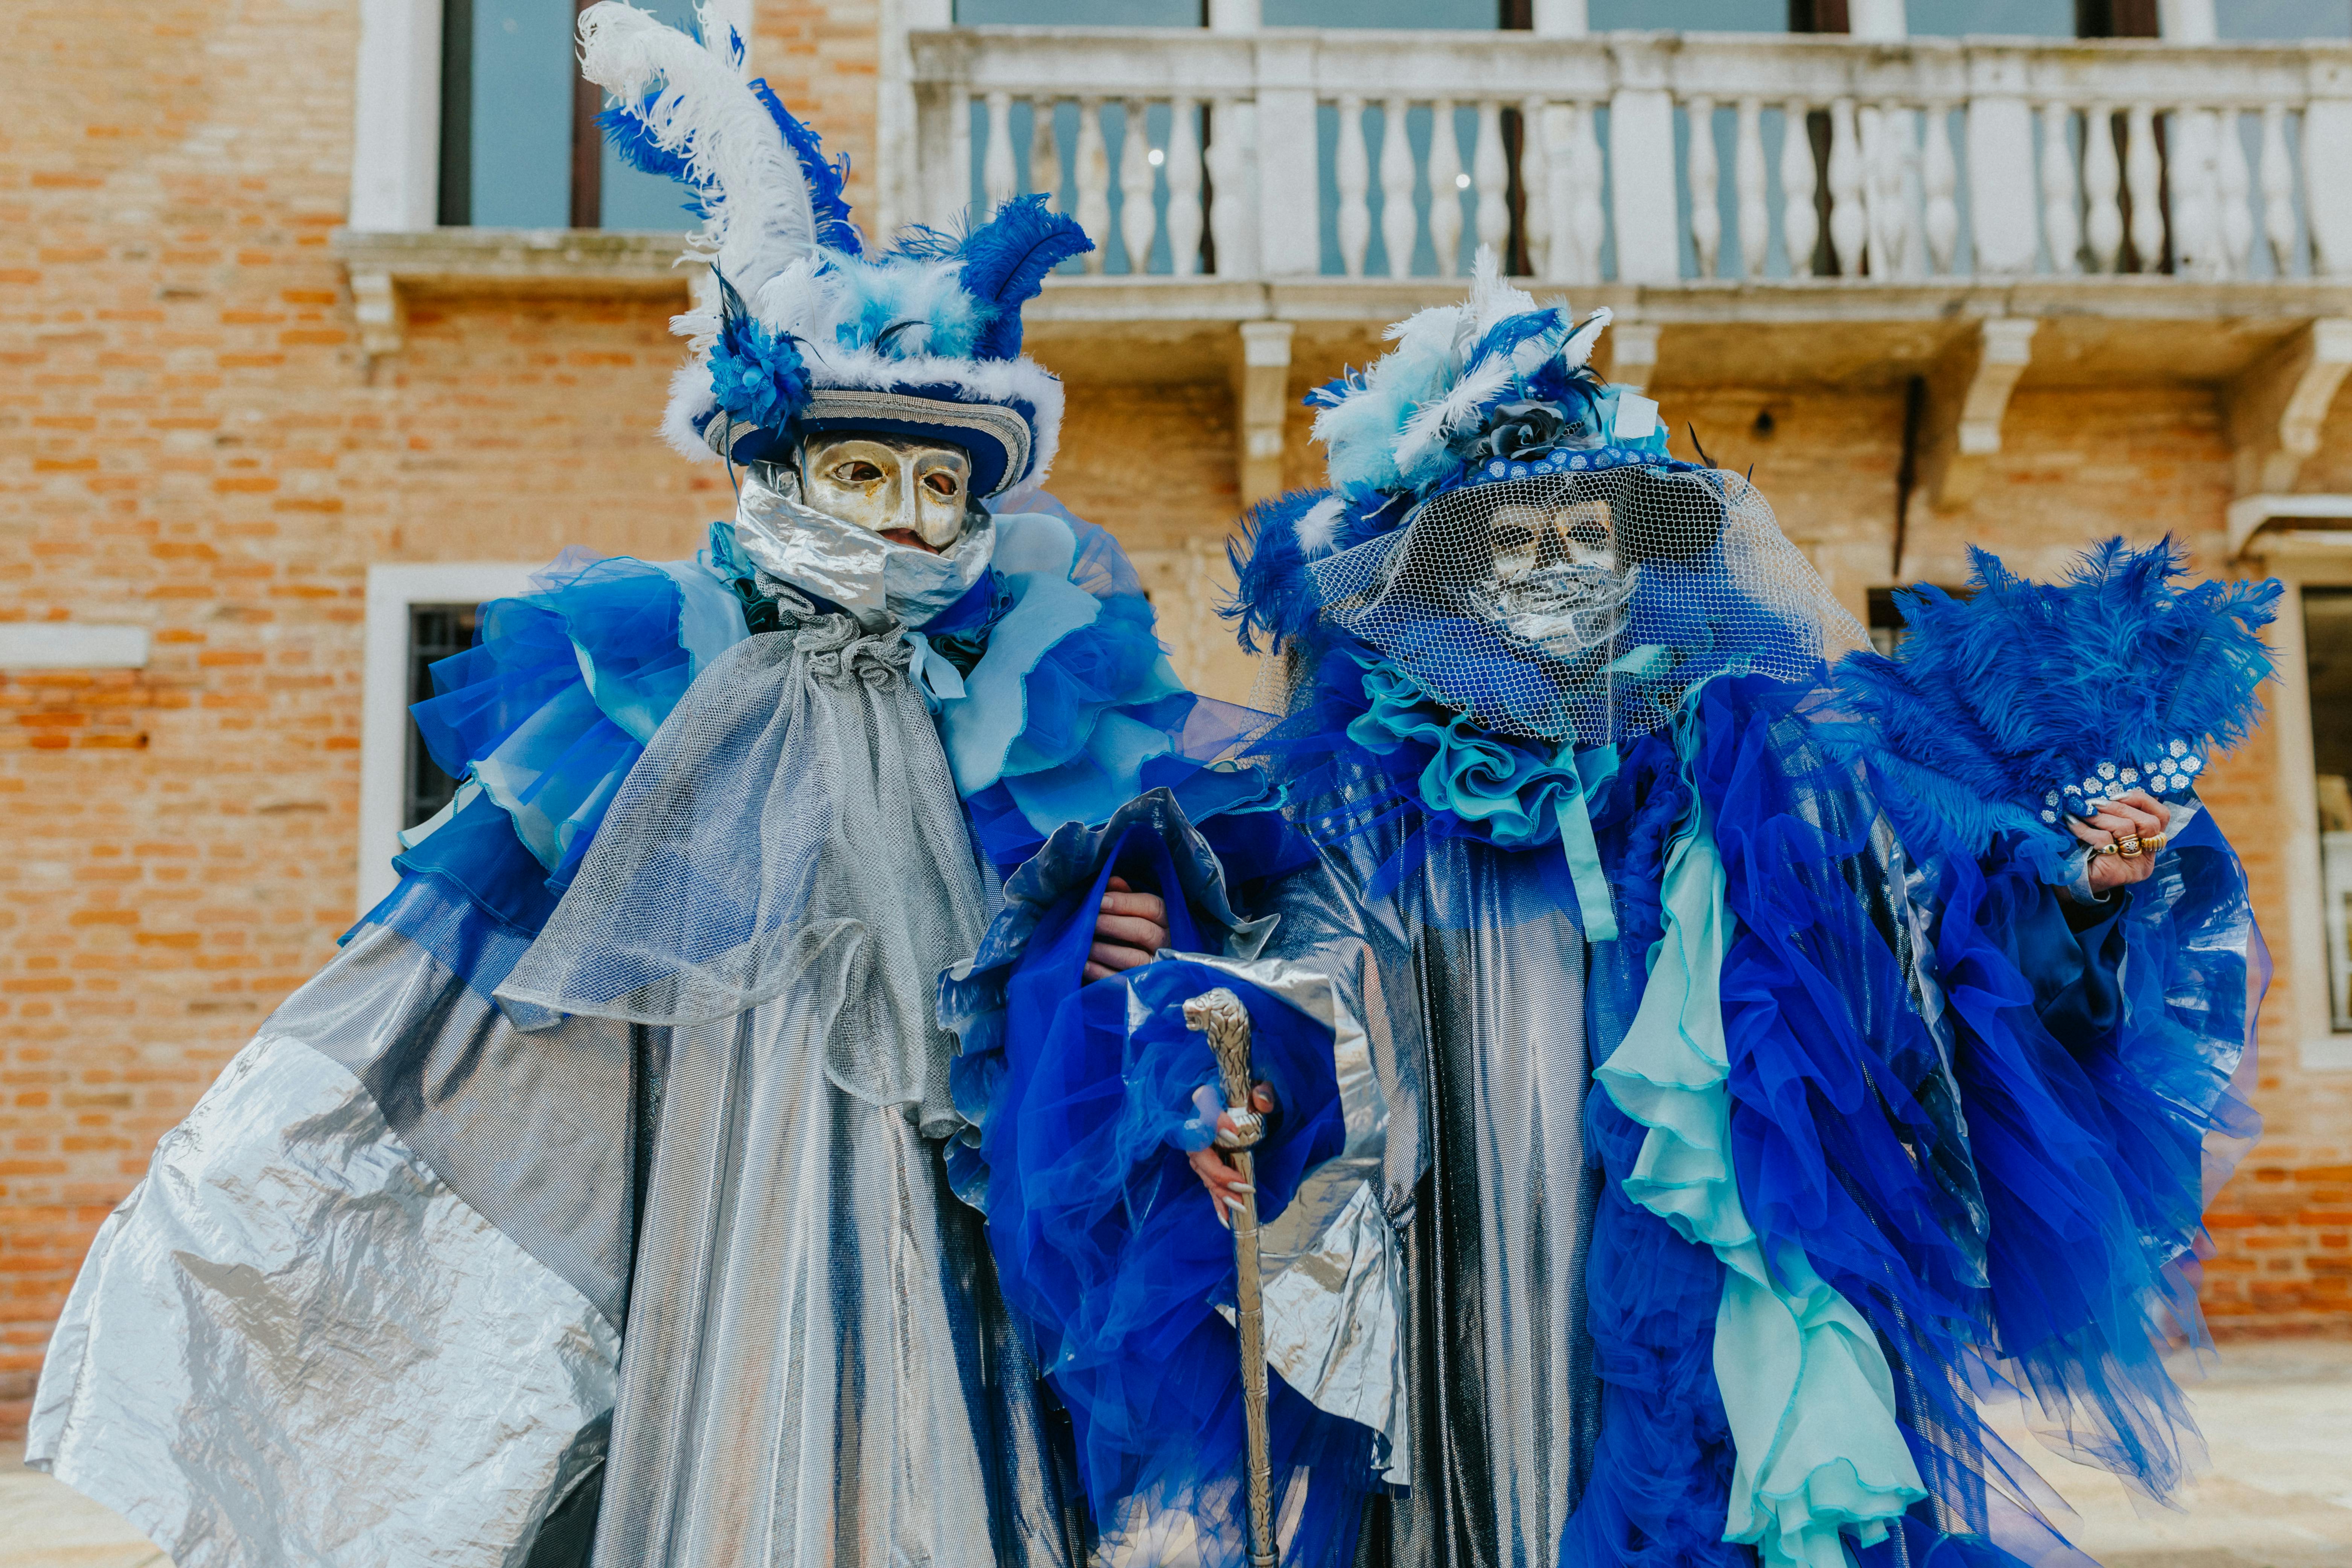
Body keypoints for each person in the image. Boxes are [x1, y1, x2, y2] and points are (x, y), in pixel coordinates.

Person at [22, 9, 1260, 1566]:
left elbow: (1123, 936)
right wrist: (281, 1142)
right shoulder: (670, 687)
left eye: (940, 485)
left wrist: (1112, 946)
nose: (903, 518)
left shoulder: (1026, 702)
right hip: (724, 1183)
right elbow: (471, 957)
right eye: (862, 474)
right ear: (781, 474)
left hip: (960, 1231)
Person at [942, 255, 2274, 1568]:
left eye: (1586, 537)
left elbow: (1916, 939)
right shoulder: (1357, 800)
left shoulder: (1740, 780)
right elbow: (1293, 980)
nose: (1558, 569)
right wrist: (1204, 1045)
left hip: (1686, 1254)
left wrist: (2073, 889)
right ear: (1447, 576)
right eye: (1514, 541)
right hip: (1456, 1260)